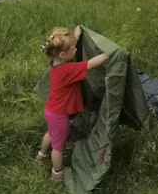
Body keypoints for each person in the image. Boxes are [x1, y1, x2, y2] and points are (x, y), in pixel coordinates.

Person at [36, 26, 107, 180]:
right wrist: (108, 54)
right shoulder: (68, 70)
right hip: (59, 116)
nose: (76, 50)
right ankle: (57, 173)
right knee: (58, 147)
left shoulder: (56, 64)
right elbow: (91, 64)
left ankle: (41, 154)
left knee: (50, 133)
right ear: (63, 54)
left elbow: (64, 47)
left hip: (51, 110)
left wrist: (75, 35)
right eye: (73, 48)